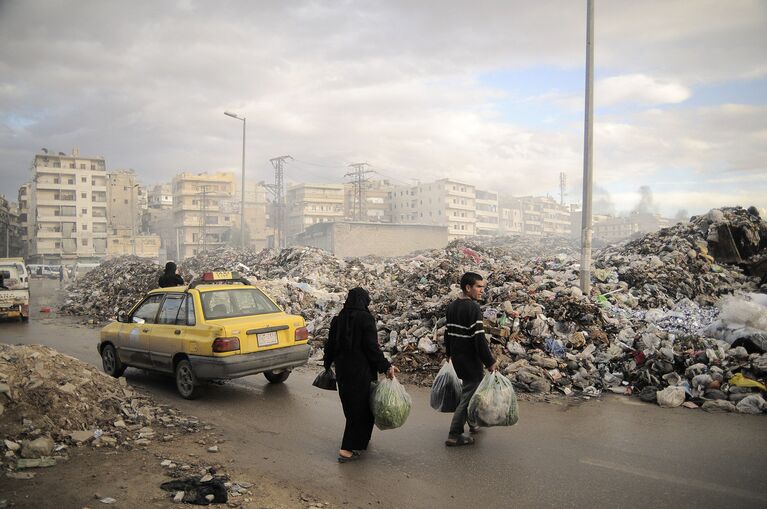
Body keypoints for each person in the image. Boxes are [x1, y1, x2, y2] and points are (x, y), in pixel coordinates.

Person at [323, 287, 399, 463]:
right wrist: (386, 367)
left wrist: (327, 364)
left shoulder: (338, 319)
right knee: (360, 409)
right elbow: (372, 348)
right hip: (361, 372)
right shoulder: (366, 319)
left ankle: (360, 440)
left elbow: (330, 345)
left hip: (343, 371)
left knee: (353, 408)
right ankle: (346, 449)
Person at [444, 272, 497, 447]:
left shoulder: (452, 306)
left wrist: (449, 353)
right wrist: (489, 361)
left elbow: (448, 333)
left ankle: (473, 424)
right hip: (469, 360)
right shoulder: (473, 308)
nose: (482, 290)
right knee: (468, 395)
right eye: (479, 287)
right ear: (468, 288)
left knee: (470, 392)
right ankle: (454, 433)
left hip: (458, 358)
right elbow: (479, 339)